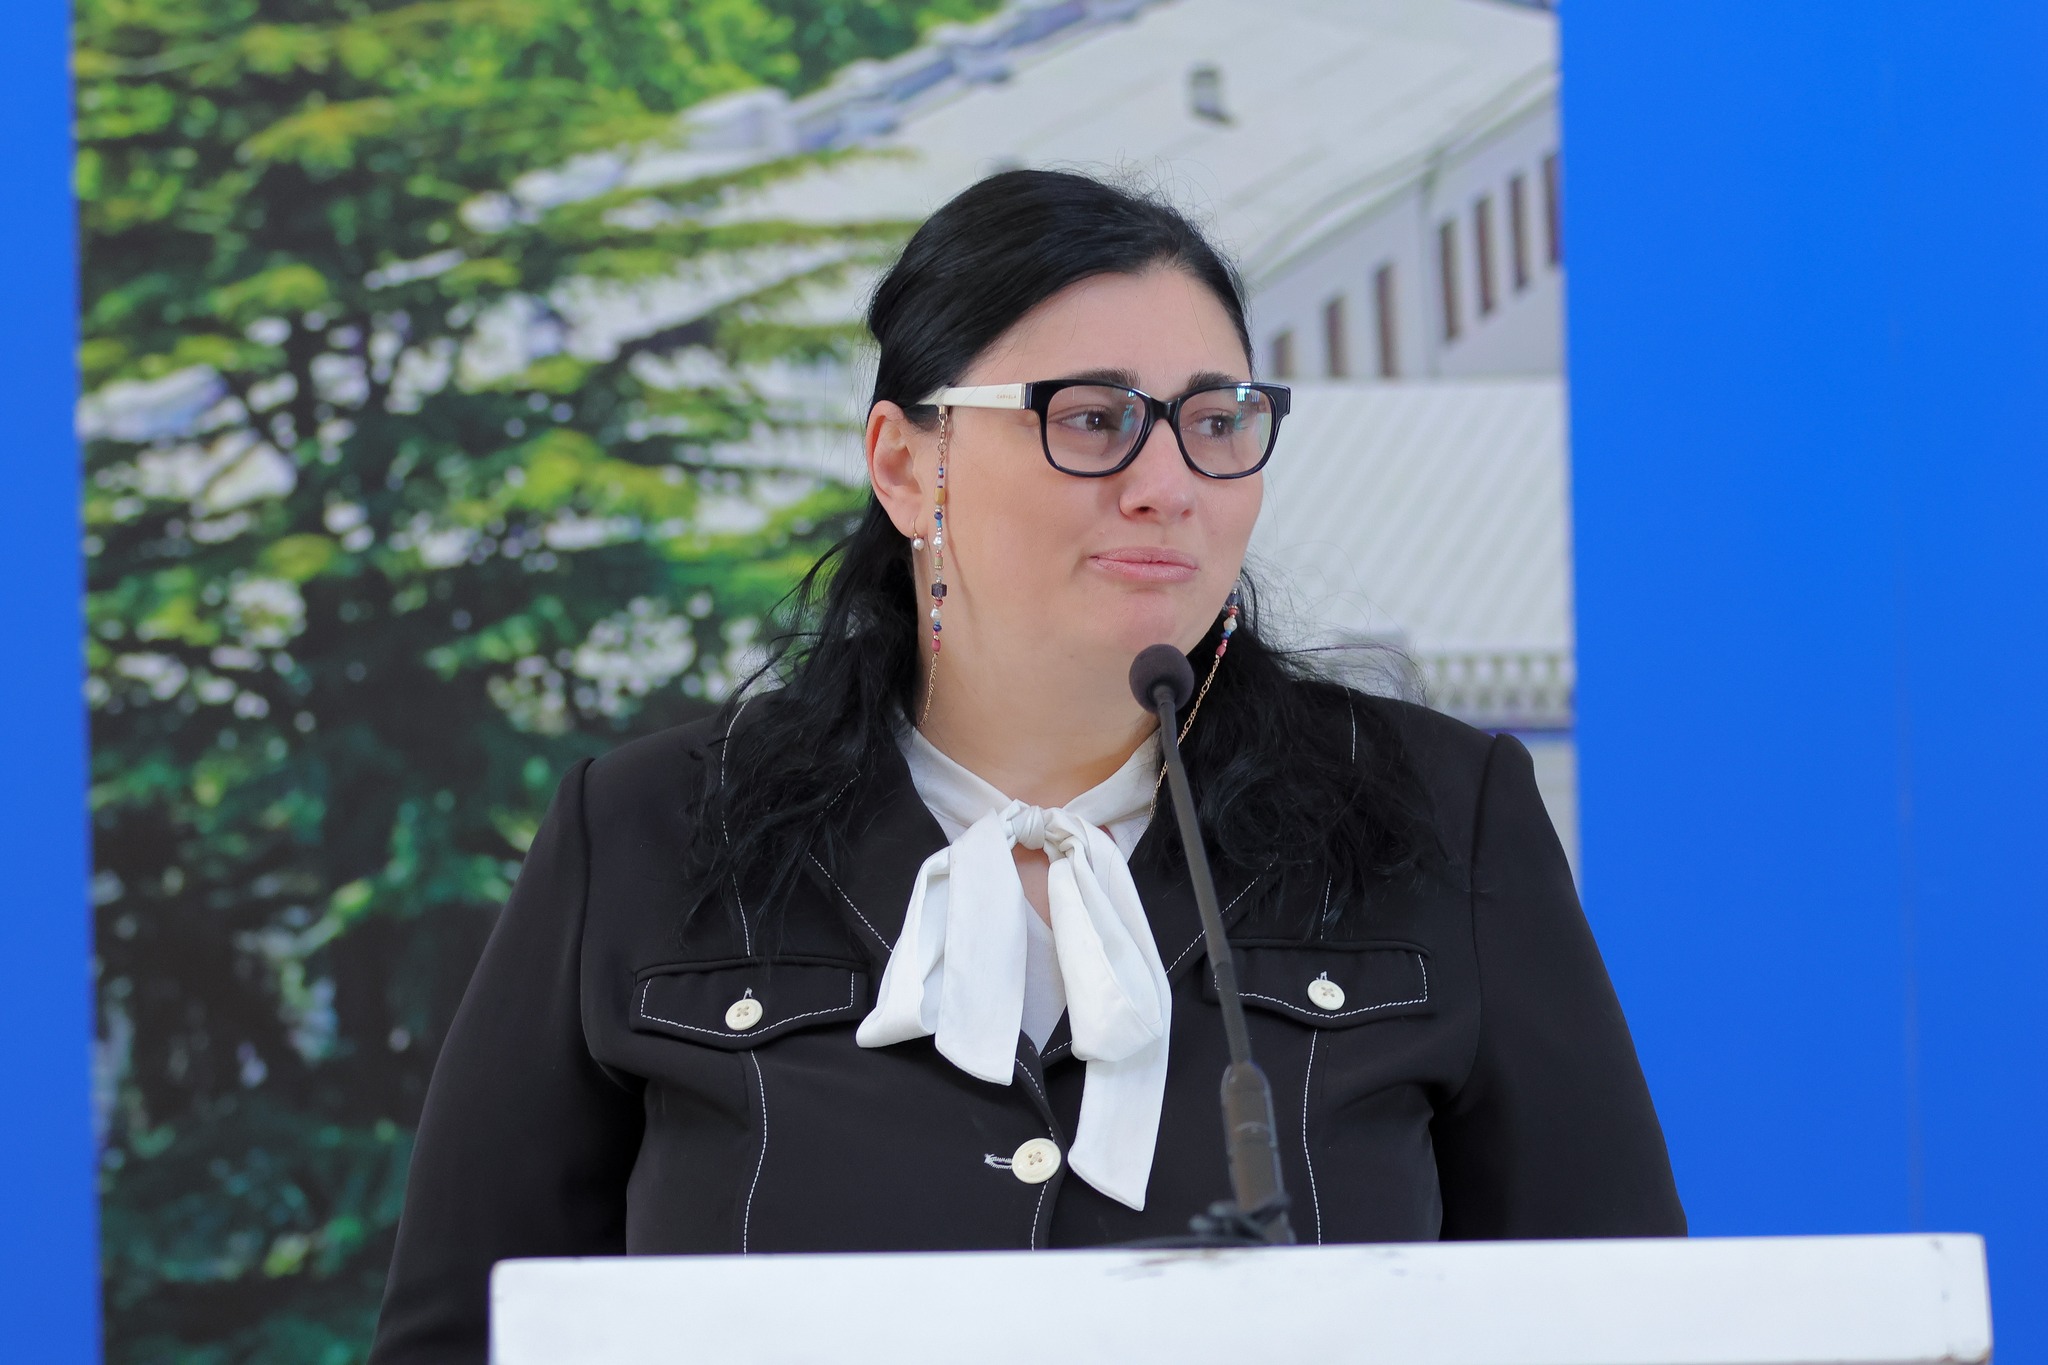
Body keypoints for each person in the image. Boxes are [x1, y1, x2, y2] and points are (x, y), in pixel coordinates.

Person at [368, 168, 1684, 1363]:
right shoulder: (648, 833)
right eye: (1093, 419)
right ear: (905, 466)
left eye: (1216, 421)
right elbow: (459, 1338)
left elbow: (1626, 1324)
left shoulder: (1437, 816)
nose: (1169, 481)